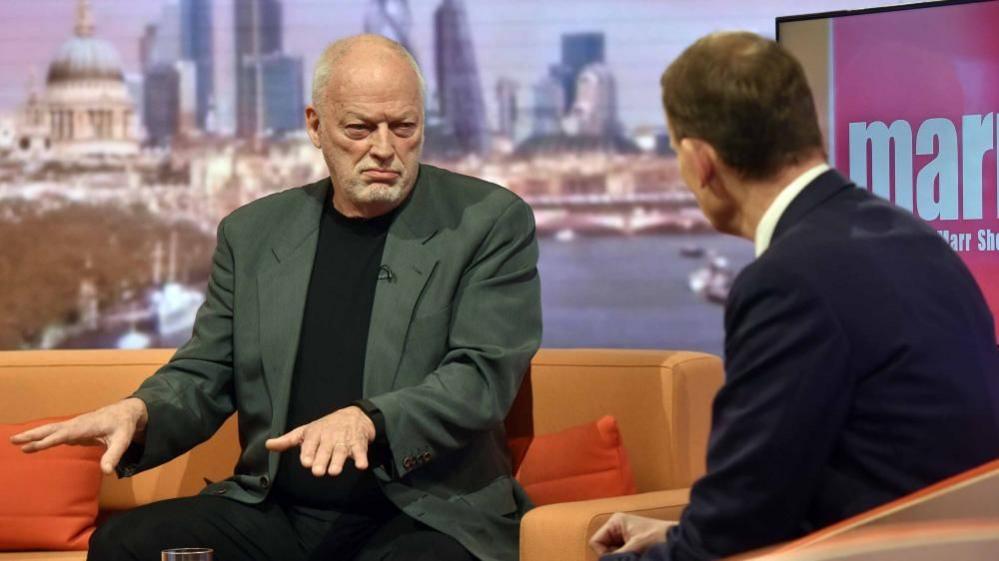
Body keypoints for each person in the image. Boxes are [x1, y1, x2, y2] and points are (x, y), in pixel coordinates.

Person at [11, 34, 541, 561]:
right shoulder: (253, 233)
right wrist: (141, 412)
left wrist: (368, 420)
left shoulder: (488, 221)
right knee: (123, 545)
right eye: (359, 128)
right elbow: (207, 371)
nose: (384, 148)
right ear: (314, 125)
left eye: (404, 127)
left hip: (425, 512)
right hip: (277, 511)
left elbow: (480, 375)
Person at [590, 31, 999, 561]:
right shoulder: (911, 238)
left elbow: (734, 534)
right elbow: (790, 485)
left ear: (701, 161)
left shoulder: (788, 283)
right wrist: (679, 531)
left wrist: (681, 541)